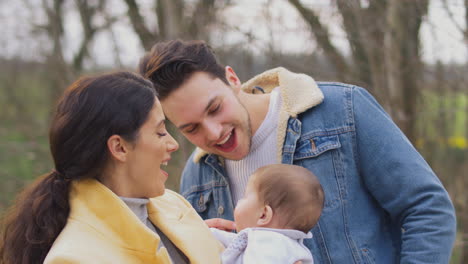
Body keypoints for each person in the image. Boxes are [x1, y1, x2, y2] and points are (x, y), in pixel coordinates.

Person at [139, 40, 457, 263]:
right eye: (191, 128)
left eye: (215, 108)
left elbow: (427, 207)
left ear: (233, 80)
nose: (213, 132)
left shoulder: (343, 111)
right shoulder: (197, 177)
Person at [0, 71, 223, 263]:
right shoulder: (74, 258)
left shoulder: (175, 205)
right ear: (119, 147)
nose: (173, 144)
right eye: (160, 132)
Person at [210, 164, 324, 264]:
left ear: (263, 215)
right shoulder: (276, 243)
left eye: (244, 197)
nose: (239, 201)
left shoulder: (270, 242)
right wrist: (204, 230)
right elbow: (233, 244)